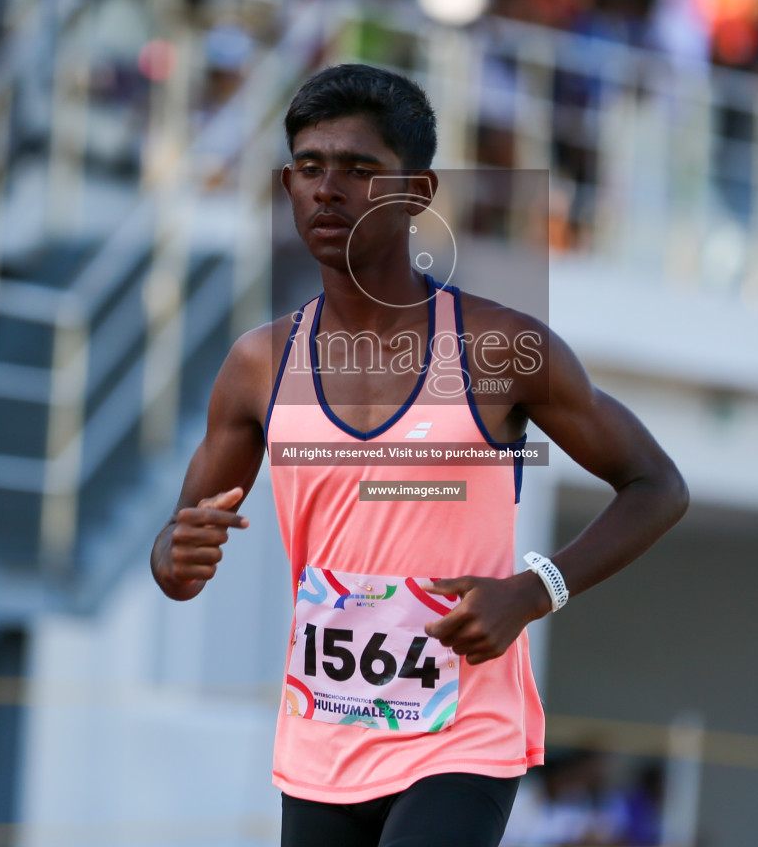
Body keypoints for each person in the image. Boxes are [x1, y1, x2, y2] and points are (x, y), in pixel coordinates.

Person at [150, 63, 689, 846]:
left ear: (420, 192)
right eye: (308, 168)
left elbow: (656, 485)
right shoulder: (258, 365)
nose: (327, 189)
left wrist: (533, 593)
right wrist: (173, 552)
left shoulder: (501, 348)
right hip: (323, 736)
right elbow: (178, 562)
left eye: (359, 169)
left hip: (461, 733)